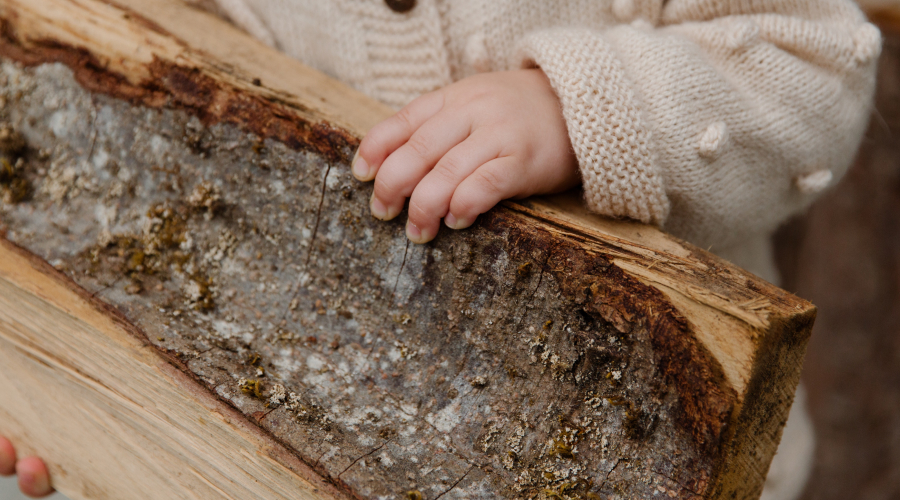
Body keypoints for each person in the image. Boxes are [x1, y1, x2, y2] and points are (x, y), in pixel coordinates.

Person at [1, 0, 880, 498]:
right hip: (276, 430)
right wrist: (51, 371)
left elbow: (816, 69)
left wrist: (583, 112)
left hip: (622, 442)